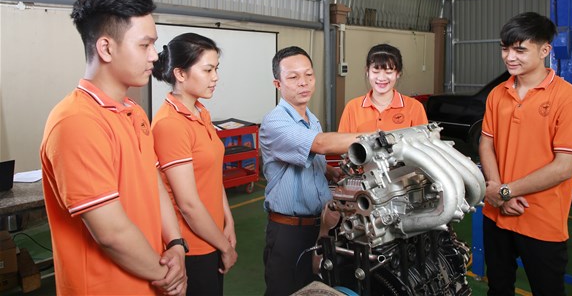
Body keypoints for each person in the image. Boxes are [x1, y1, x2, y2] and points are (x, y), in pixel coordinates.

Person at [40, 0, 187, 295]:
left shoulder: (134, 112)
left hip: (150, 278)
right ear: (106, 48)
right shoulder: (76, 122)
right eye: (145, 45)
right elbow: (111, 233)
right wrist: (168, 276)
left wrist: (175, 244)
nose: (154, 56)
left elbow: (153, 182)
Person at [479, 12, 572, 296]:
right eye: (505, 48)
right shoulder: (497, 94)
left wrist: (504, 192)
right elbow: (486, 143)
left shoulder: (570, 99)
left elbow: (563, 168)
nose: (509, 57)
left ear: (544, 50)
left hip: (540, 219)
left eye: (520, 50)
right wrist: (496, 190)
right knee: (498, 288)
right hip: (496, 214)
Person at [260, 46, 366, 296]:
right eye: (293, 77)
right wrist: (376, 138)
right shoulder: (275, 121)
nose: (303, 82)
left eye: (308, 75)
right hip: (290, 232)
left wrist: (327, 170)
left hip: (320, 227)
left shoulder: (311, 118)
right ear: (278, 83)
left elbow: (308, 155)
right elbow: (319, 144)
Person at [151, 33, 238, 296]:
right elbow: (188, 205)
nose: (216, 77)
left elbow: (212, 176)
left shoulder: (200, 112)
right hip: (193, 248)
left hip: (213, 236)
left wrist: (228, 222)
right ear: (180, 73)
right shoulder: (171, 125)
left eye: (216, 69)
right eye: (208, 70)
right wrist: (225, 247)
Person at [338, 43, 428, 132]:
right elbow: (342, 140)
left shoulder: (415, 107)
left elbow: (424, 140)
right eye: (375, 71)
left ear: (398, 73)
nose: (381, 78)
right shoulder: (352, 107)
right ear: (367, 71)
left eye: (388, 72)